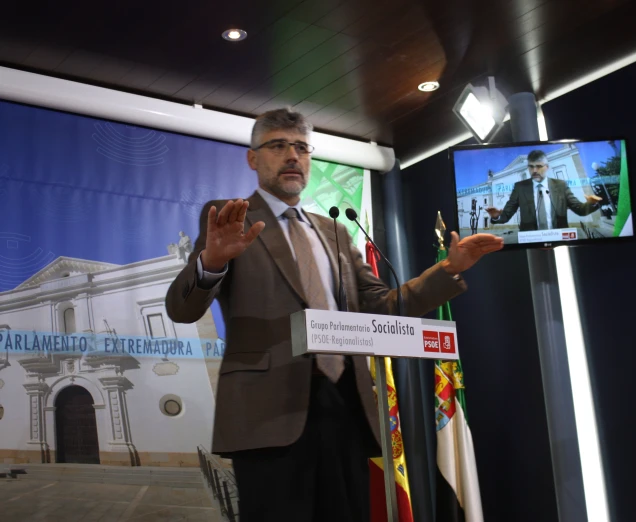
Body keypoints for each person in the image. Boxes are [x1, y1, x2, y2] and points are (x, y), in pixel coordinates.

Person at [165, 108, 503, 522]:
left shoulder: (335, 232)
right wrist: (211, 261)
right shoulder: (230, 219)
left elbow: (383, 306)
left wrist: (447, 270)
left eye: (301, 147)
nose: (292, 155)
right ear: (253, 158)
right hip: (269, 414)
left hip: (347, 407)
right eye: (278, 146)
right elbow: (182, 309)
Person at [486, 149, 602, 231]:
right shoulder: (520, 187)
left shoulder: (561, 185)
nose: (535, 170)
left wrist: (592, 203)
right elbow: (507, 214)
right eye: (531, 167)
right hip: (531, 240)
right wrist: (496, 216)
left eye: (539, 166)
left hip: (559, 237)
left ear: (546, 167)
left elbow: (579, 209)